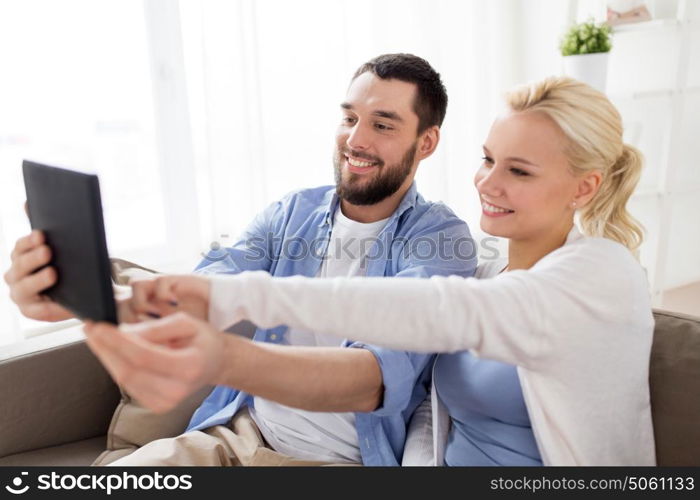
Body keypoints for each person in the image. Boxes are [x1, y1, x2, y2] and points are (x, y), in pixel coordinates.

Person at [84, 76, 656, 466]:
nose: (487, 182)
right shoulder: (483, 271)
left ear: (585, 187)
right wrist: (108, 295)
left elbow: (425, 319)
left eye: (520, 171)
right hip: (244, 429)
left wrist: (229, 330)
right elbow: (435, 420)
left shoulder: (601, 275)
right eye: (487, 159)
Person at [3, 53, 477, 466]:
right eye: (349, 118)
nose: (356, 140)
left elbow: (374, 380)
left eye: (383, 124)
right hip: (235, 433)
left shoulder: (439, 240)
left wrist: (221, 358)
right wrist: (84, 295)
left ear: (427, 142)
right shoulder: (293, 212)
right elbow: (202, 291)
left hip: (336, 461)